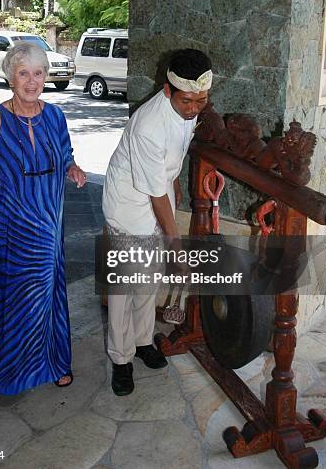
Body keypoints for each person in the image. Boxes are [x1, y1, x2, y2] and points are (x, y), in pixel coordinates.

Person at [0, 41, 86, 395]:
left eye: (39, 73)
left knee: (47, 295)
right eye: (24, 73)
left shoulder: (56, 117)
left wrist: (73, 168)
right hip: (9, 230)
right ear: (11, 78)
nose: (32, 81)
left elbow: (66, 155)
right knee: (17, 298)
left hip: (48, 227)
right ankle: (14, 370)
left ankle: (55, 362)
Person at [102, 48, 212, 395]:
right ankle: (121, 359)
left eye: (201, 101)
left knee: (148, 280)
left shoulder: (189, 107)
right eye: (186, 102)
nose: (194, 108)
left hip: (156, 190)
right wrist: (176, 244)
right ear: (168, 90)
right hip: (128, 203)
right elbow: (154, 194)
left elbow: (173, 160)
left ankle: (143, 340)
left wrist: (176, 193)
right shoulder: (148, 125)